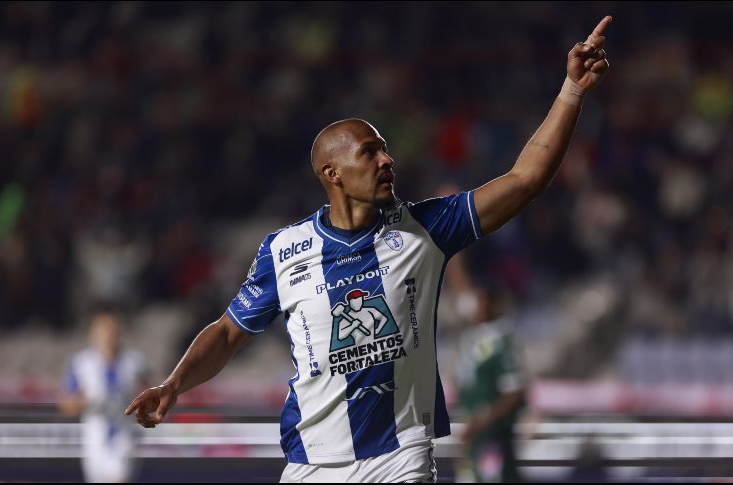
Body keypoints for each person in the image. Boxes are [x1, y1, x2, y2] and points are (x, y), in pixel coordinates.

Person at [125, 16, 612, 482]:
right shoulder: (284, 250)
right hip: (311, 461)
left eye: (384, 148)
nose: (387, 160)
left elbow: (524, 180)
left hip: (400, 456)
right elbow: (230, 332)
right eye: (370, 152)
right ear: (332, 174)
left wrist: (572, 91)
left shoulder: (427, 229)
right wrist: (174, 384)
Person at [59, 310, 148, 483]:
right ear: (93, 335)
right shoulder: (81, 363)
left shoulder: (134, 362)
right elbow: (66, 404)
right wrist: (84, 402)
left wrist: (140, 404)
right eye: (103, 332)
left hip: (124, 437)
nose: (108, 336)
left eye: (112, 331)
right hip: (94, 440)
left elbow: (153, 396)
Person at [455, 284, 528, 483]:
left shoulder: (503, 340)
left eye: (481, 301)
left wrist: (481, 421)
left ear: (493, 304)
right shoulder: (472, 336)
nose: (476, 307)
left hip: (493, 437)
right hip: (474, 436)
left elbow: (514, 392)